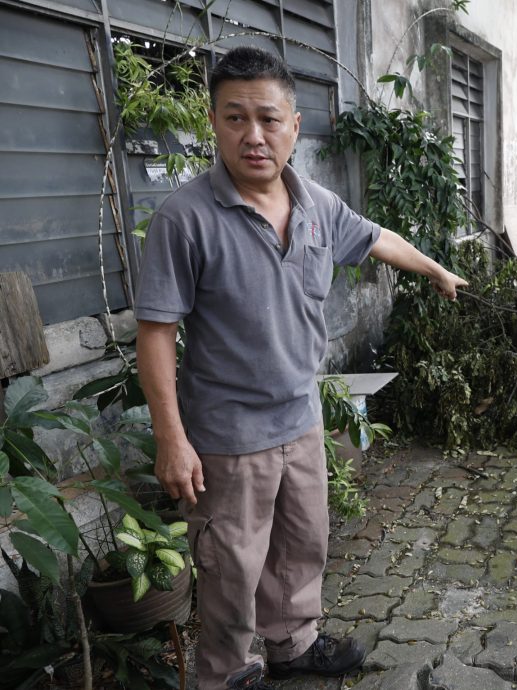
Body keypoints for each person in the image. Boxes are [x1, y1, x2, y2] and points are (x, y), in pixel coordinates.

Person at [134, 46, 467, 690]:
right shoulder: (187, 218)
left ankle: (291, 644)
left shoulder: (313, 202)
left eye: (268, 118)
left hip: (300, 420)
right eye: (235, 118)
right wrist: (171, 440)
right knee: (232, 565)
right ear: (214, 122)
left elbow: (376, 237)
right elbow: (156, 333)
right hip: (229, 437)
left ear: (295, 122)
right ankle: (229, 672)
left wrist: (436, 270)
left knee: (301, 544)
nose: (253, 135)